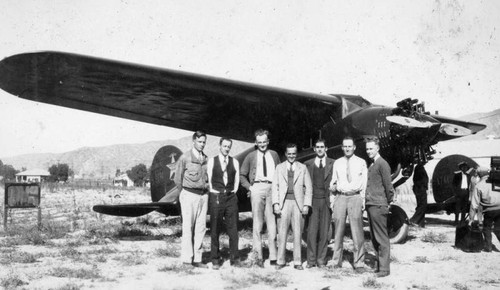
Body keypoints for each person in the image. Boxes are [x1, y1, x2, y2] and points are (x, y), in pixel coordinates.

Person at [240, 129, 280, 267]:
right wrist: (251, 188)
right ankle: (258, 257)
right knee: (257, 224)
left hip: (272, 189)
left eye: (264, 141)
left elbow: (279, 173)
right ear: (256, 143)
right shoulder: (251, 156)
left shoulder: (274, 155)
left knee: (272, 224)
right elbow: (242, 175)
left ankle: (274, 257)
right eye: (259, 142)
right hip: (257, 188)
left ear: (268, 141)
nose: (262, 144)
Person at [329, 136, 367, 272]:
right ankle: (335, 260)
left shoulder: (361, 162)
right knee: (338, 231)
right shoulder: (337, 163)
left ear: (354, 147)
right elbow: (333, 181)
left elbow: (364, 184)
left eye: (349, 146)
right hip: (341, 197)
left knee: (357, 231)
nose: (347, 148)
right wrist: (333, 200)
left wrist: (362, 200)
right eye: (345, 146)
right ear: (342, 147)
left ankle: (359, 262)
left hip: (355, 197)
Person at [272, 143, 312, 270]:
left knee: (297, 233)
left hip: (298, 204)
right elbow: (275, 187)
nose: (291, 156)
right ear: (285, 154)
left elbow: (309, 188)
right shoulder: (279, 168)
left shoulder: (303, 168)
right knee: (282, 233)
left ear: (297, 154)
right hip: (284, 204)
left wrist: (306, 205)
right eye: (289, 154)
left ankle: (297, 261)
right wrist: (276, 204)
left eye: (294, 153)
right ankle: (280, 260)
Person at [174, 131, 209, 268]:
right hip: (189, 195)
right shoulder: (185, 157)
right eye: (200, 142)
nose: (202, 144)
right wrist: (184, 194)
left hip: (203, 195)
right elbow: (178, 178)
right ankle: (187, 260)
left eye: (204, 142)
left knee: (201, 228)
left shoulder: (205, 158)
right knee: (188, 227)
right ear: (194, 141)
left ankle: (198, 259)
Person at [207, 137, 240, 269]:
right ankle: (215, 258)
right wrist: (216, 192)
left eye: (228, 147)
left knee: (233, 228)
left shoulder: (235, 162)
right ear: (220, 146)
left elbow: (236, 180)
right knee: (215, 228)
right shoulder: (211, 161)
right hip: (216, 197)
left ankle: (235, 258)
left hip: (231, 197)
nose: (226, 149)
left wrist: (232, 191)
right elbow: (209, 180)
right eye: (224, 146)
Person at [365, 137, 394, 278]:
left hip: (378, 205)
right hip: (371, 205)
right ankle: (379, 266)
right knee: (374, 238)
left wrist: (387, 202)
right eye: (367, 149)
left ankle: (384, 269)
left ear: (378, 148)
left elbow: (389, 186)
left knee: (381, 237)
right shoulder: (373, 164)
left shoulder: (382, 164)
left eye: (371, 148)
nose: (368, 151)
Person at [304, 138, 334, 268]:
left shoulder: (333, 163)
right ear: (314, 149)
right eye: (317, 147)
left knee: (324, 231)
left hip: (326, 201)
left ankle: (321, 259)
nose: (320, 149)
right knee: (311, 231)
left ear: (326, 149)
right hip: (313, 201)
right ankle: (311, 260)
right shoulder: (308, 164)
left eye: (322, 147)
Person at [469, 167, 500, 252]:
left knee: (487, 228)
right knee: (498, 228)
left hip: (489, 211)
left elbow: (474, 204)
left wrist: (471, 219)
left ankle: (488, 247)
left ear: (479, 174)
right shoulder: (496, 182)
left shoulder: (479, 185)